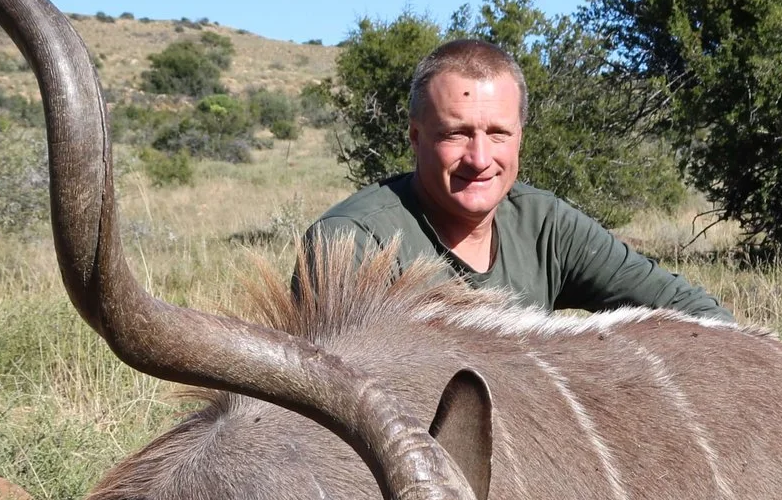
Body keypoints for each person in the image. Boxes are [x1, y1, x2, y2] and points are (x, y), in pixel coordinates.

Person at [303, 38, 729, 320]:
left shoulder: (544, 223)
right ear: (416, 137)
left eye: (498, 134)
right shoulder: (350, 243)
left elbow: (688, 310)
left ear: (520, 137)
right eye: (456, 133)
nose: (480, 158)